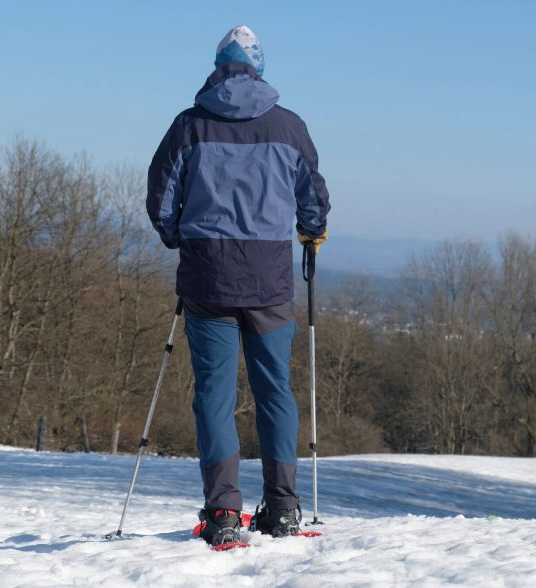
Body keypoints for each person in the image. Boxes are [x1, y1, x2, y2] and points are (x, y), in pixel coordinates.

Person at [146, 25, 330, 547]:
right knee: (275, 390)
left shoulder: (189, 126)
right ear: (260, 67)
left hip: (207, 279)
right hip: (270, 280)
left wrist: (182, 239)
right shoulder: (289, 126)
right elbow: (313, 199)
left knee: (214, 396)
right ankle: (284, 507)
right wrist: (312, 233)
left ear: (216, 65)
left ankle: (224, 513)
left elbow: (161, 202)